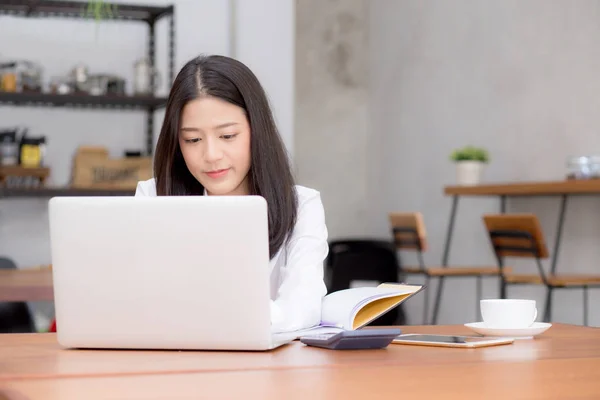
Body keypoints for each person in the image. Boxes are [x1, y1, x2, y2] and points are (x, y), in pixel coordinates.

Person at [135, 54, 329, 333]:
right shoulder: (153, 198)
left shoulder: (301, 206)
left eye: (227, 136)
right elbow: (141, 304)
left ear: (256, 130)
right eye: (193, 140)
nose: (211, 155)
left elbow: (303, 306)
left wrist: (211, 318)